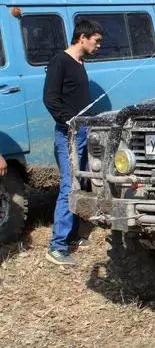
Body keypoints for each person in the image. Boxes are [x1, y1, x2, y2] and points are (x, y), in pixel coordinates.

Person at [43, 20, 102, 266]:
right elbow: (50, 99)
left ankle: (72, 235)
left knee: (82, 182)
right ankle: (57, 246)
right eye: (96, 41)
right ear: (82, 37)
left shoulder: (80, 63)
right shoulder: (60, 61)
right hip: (69, 134)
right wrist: (70, 122)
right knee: (69, 185)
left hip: (83, 131)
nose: (98, 45)